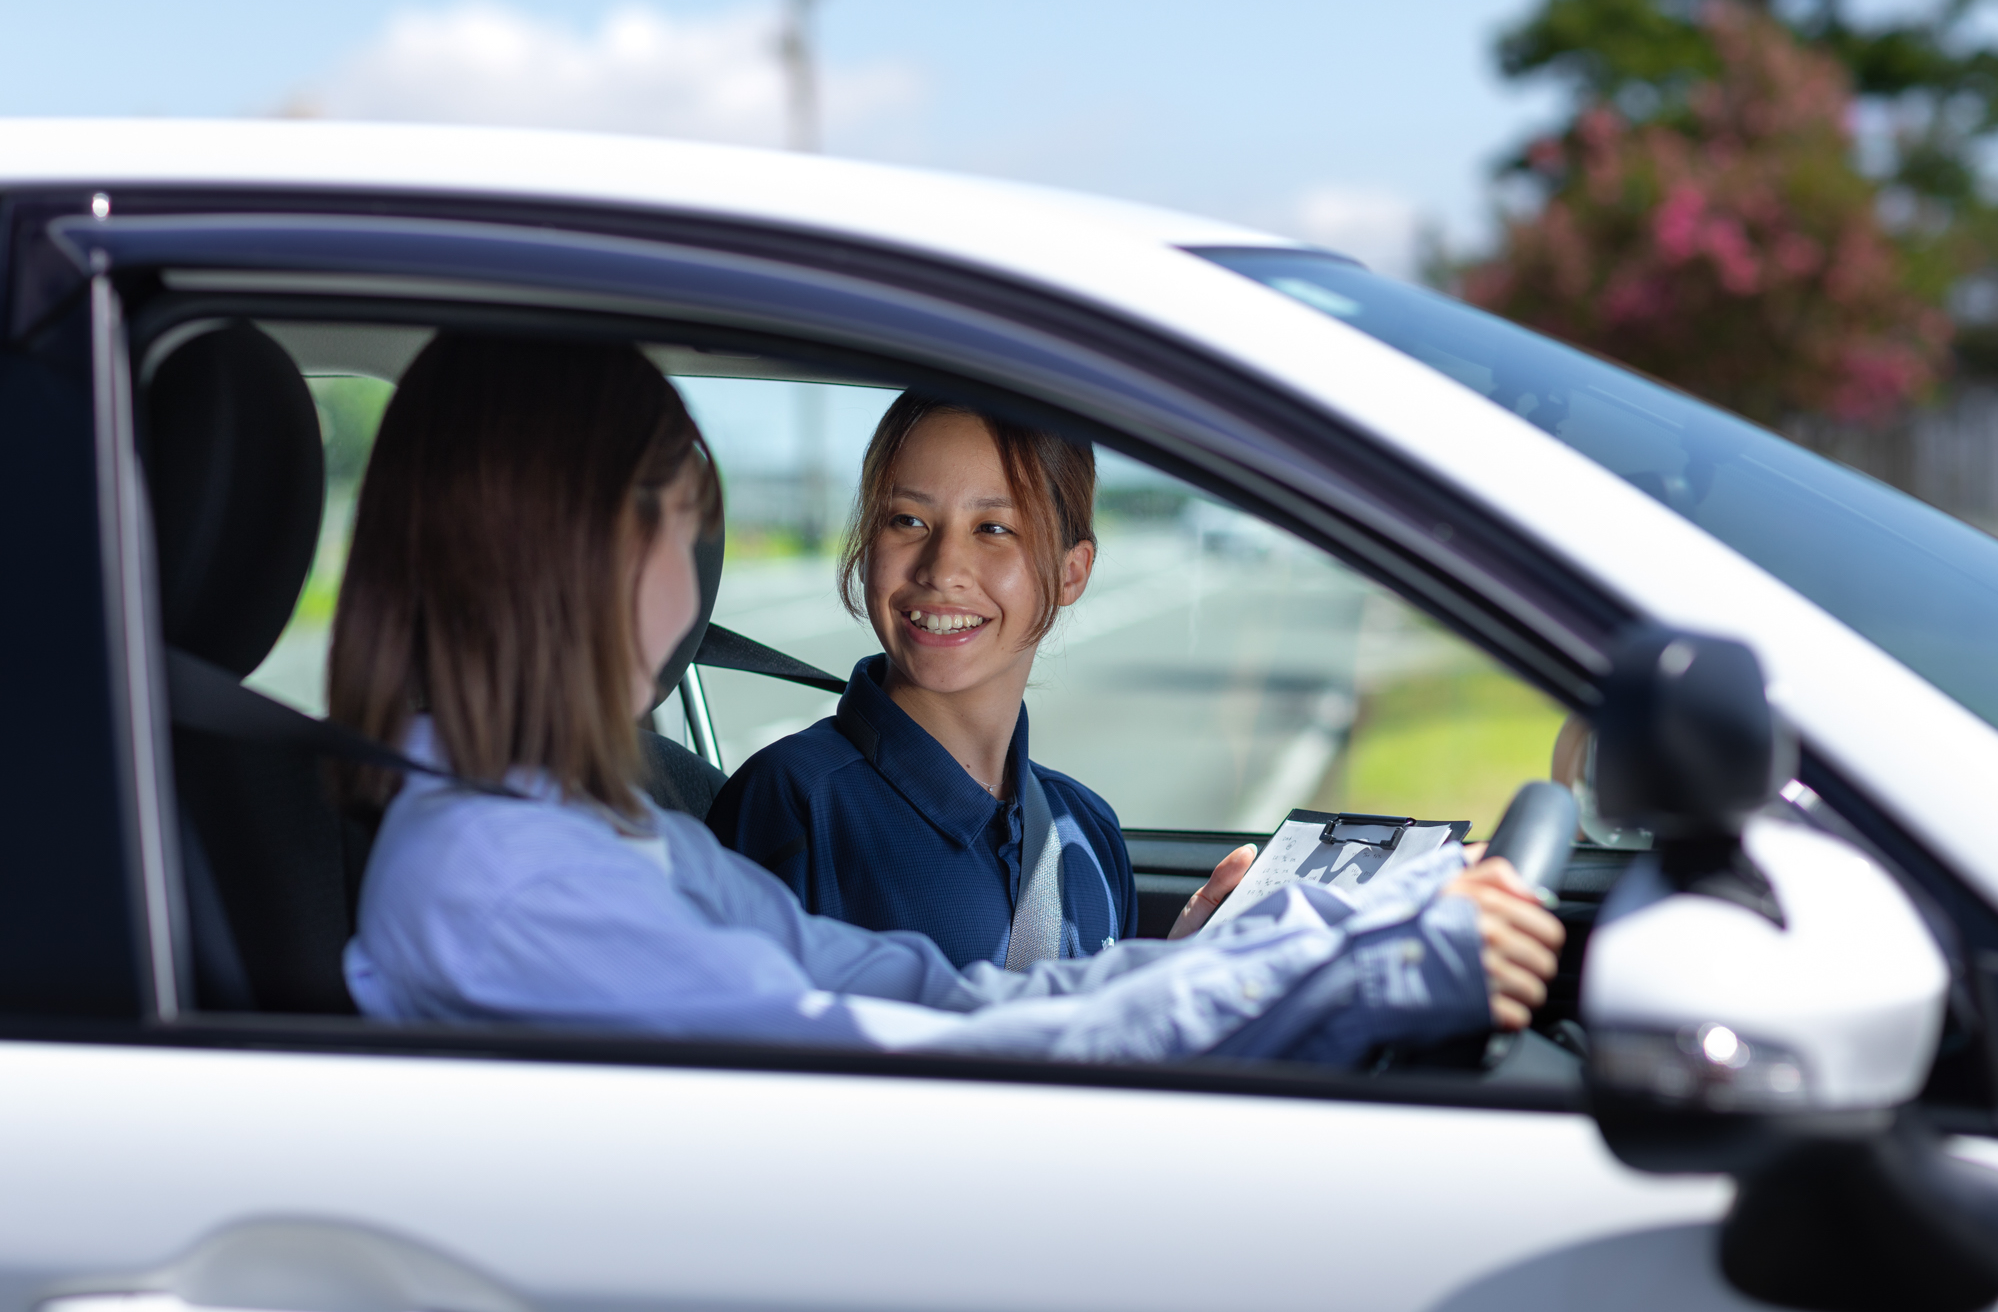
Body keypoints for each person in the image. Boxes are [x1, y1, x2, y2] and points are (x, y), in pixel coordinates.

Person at [332, 333, 1565, 1063]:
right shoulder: (508, 880)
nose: (697, 573)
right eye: (687, 523)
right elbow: (926, 1061)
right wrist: (1358, 960)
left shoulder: (592, 838)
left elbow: (937, 997)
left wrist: (1226, 959)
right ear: (581, 547)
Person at [707, 394, 1251, 968]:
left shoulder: (1088, 827)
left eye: (993, 528)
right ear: (867, 545)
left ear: (1072, 573)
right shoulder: (790, 803)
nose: (942, 569)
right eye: (907, 520)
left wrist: (1172, 975)